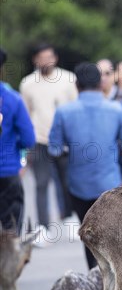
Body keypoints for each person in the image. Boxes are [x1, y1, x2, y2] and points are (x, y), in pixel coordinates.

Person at [48, 63, 122, 269]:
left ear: (77, 85)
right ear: (100, 83)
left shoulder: (63, 112)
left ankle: (94, 275)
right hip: (110, 185)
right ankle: (115, 278)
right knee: (111, 235)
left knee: (89, 236)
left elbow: (53, 150)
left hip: (78, 186)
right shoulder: (116, 110)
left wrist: (69, 150)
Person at [19, 43, 77, 230]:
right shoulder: (27, 84)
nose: (46, 61)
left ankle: (69, 218)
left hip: (64, 139)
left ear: (56, 58)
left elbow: (75, 110)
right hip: (39, 140)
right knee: (41, 184)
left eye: (49, 57)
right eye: (42, 57)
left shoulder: (68, 80)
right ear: (35, 60)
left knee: (68, 182)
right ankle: (43, 227)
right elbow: (26, 115)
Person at [0, 47, 36, 233]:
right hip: (7, 172)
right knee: (11, 232)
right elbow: (29, 139)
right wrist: (16, 149)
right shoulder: (13, 99)